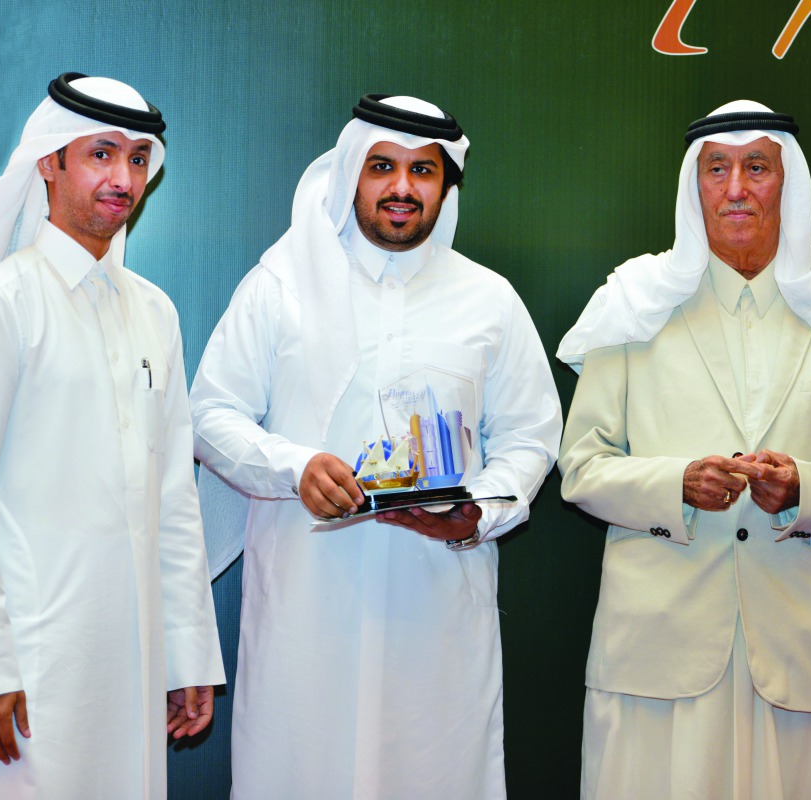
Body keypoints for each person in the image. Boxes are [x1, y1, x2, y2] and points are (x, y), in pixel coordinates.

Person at [189, 94, 561, 798]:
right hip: (307, 609)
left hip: (436, 612)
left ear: (445, 186)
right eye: (382, 166)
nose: (401, 187)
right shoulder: (280, 287)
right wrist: (294, 467)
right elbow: (210, 414)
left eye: (423, 171)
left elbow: (531, 435)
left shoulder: (490, 300)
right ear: (350, 174)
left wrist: (479, 512)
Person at [555, 99, 811, 799]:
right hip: (656, 656)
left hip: (800, 658)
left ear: (790, 182)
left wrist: (805, 488)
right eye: (716, 169)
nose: (735, 188)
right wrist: (677, 483)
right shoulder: (634, 303)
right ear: (693, 187)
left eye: (757, 167)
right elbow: (581, 466)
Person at [0, 73, 225, 799]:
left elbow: (173, 497)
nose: (123, 178)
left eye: (137, 159)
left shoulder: (155, 312)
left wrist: (187, 653)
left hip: (132, 655)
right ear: (49, 162)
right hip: (33, 658)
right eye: (100, 154)